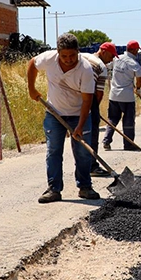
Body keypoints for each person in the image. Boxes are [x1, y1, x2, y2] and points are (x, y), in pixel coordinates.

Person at [27, 33, 100, 203]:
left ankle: (85, 187)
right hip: (54, 113)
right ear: (58, 52)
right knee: (53, 151)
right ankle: (54, 189)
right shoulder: (49, 58)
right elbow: (32, 64)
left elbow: (87, 100)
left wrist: (80, 126)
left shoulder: (85, 69)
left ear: (78, 51)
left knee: (82, 153)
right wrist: (31, 88)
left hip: (78, 113)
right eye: (64, 56)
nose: (68, 59)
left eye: (72, 55)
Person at [81, 42, 118, 177]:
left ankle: (84, 165)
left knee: (81, 134)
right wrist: (93, 110)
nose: (112, 59)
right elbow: (99, 94)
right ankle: (92, 166)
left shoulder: (83, 56)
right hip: (89, 99)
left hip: (73, 99)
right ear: (103, 51)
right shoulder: (101, 67)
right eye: (111, 56)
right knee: (92, 133)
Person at [102, 40, 141, 151]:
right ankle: (128, 144)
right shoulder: (134, 64)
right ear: (134, 50)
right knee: (128, 121)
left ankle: (106, 141)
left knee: (112, 119)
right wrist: (138, 89)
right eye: (137, 50)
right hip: (127, 97)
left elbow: (107, 65)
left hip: (114, 95)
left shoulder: (117, 58)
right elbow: (139, 80)